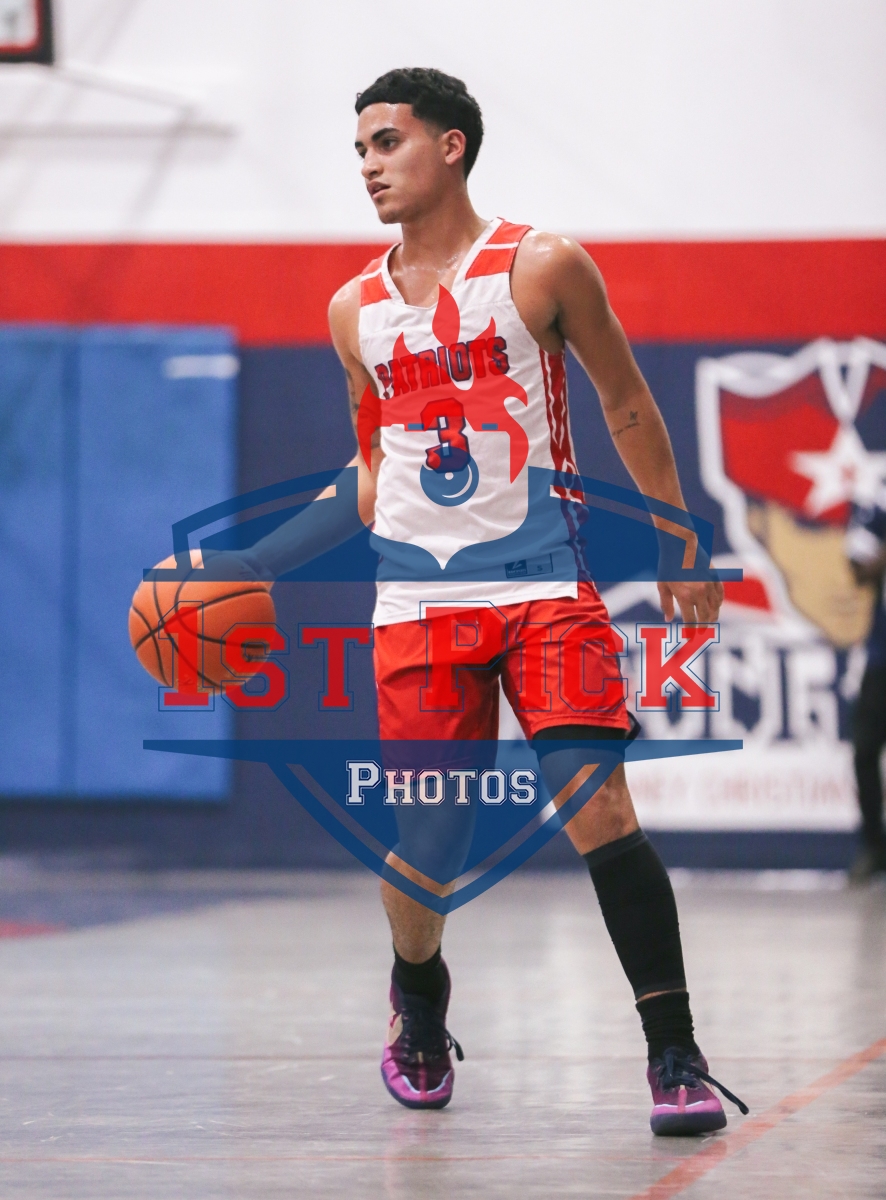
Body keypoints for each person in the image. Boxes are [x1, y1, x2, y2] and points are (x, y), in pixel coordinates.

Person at [209, 67, 747, 1135]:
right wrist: (260, 560)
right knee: (433, 843)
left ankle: (674, 1053)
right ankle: (418, 995)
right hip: (418, 606)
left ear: (450, 145)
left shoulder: (542, 264)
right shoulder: (353, 311)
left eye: (386, 142)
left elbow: (626, 402)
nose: (368, 166)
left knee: (601, 806)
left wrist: (679, 535)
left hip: (545, 588)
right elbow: (373, 474)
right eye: (359, 150)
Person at [845, 505, 886, 880]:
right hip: (881, 657)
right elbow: (857, 570)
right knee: (865, 749)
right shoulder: (879, 504)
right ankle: (874, 846)